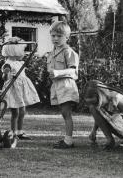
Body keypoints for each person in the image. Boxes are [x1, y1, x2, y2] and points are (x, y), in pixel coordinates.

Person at [46, 21, 79, 149]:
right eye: (53, 36)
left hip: (66, 85)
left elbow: (73, 71)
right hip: (57, 86)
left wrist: (58, 72)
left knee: (66, 113)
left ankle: (68, 141)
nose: (55, 38)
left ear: (67, 37)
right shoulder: (52, 52)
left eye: (59, 36)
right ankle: (67, 138)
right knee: (64, 113)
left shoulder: (68, 52)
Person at [1, 37, 40, 140]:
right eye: (22, 50)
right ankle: (13, 132)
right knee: (15, 112)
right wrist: (6, 74)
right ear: (15, 50)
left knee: (22, 111)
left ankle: (19, 131)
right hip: (13, 89)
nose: (23, 53)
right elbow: (5, 76)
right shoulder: (8, 63)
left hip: (21, 89)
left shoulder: (20, 63)